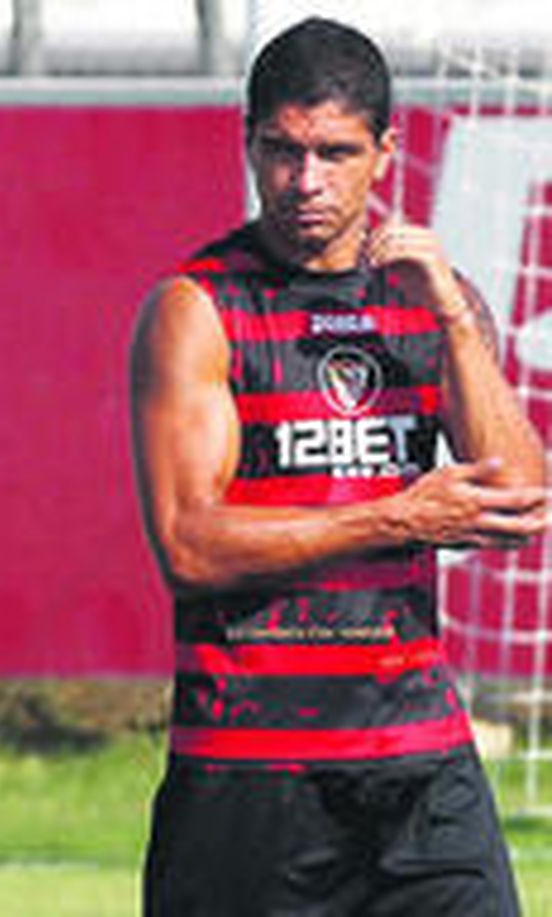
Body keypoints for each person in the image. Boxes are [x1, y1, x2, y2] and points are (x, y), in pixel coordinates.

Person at [131, 16, 549, 916]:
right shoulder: (198, 306)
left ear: (385, 153)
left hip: (418, 767)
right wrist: (397, 518)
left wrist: (457, 322)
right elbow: (189, 545)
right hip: (252, 772)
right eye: (282, 151)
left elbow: (521, 502)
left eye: (333, 152)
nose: (306, 181)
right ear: (249, 145)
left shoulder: (432, 302)